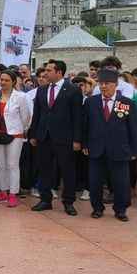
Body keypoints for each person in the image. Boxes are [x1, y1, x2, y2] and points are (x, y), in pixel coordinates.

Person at [29, 59, 83, 216]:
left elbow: (77, 117)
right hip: (44, 137)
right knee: (44, 169)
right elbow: (37, 115)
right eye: (45, 70)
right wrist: (33, 134)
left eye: (49, 70)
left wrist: (77, 140)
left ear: (59, 72)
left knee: (68, 171)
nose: (45, 73)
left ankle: (69, 202)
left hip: (65, 138)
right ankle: (45, 200)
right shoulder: (42, 90)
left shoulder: (73, 90)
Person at [82, 69, 137, 221]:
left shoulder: (126, 103)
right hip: (95, 149)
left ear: (115, 85)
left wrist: (134, 149)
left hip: (119, 149)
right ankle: (97, 208)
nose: (103, 86)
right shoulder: (91, 102)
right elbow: (85, 126)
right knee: (95, 182)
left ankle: (120, 210)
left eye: (107, 83)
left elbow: (133, 128)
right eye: (101, 83)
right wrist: (85, 144)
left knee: (121, 183)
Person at [0, 70, 32, 207]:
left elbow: (26, 117)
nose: (3, 82)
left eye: (7, 80)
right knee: (0, 165)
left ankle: (13, 193)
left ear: (13, 82)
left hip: (15, 134)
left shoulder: (21, 97)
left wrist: (19, 128)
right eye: (2, 79)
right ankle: (3, 192)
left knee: (12, 165)